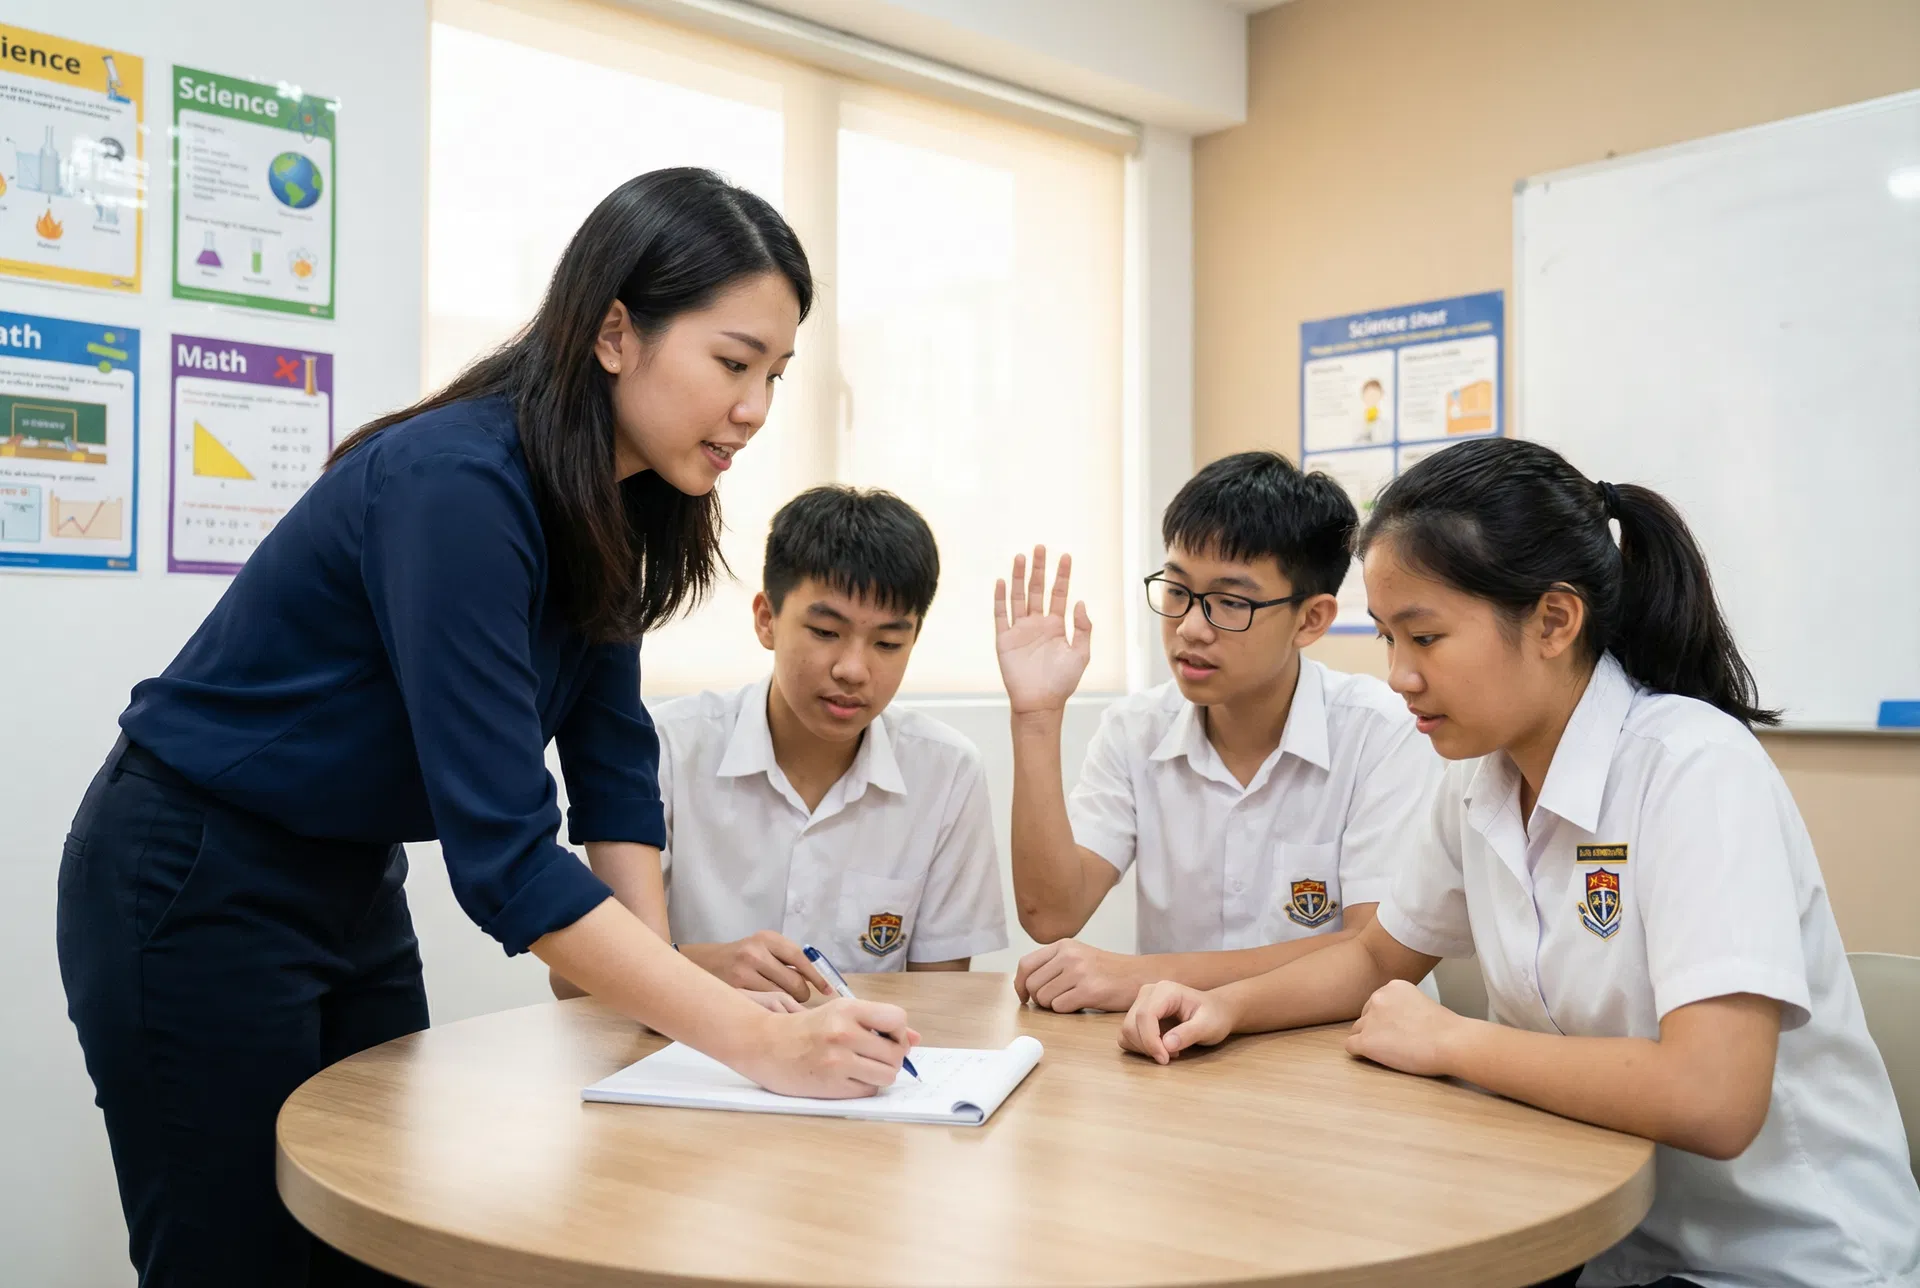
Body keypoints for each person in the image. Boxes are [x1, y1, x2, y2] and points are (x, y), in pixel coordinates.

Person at [56, 169, 916, 1288]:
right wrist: (747, 1037)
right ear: (617, 332)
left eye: (776, 375)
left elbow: (610, 764)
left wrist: (661, 989)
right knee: (236, 1257)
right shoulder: (456, 486)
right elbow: (505, 858)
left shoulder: (620, 502)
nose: (754, 407)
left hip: (349, 879)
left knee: (379, 1235)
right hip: (190, 870)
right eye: (732, 362)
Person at [1120, 437, 1920, 1288]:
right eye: (1389, 637)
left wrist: (1449, 1041)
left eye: (1425, 637)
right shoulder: (1480, 775)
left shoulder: (1693, 771)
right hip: (1601, 1243)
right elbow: (1374, 957)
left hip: (1781, 1264)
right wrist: (1219, 1007)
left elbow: (1712, 1098)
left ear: (1553, 620)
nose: (1397, 676)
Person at [997, 451, 1438, 1014]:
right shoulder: (1136, 730)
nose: (1190, 628)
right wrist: (1035, 719)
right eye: (1177, 591)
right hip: (1181, 1055)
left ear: (1311, 619)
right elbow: (1051, 915)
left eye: (1230, 603)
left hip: (1341, 1048)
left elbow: (1372, 953)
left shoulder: (1381, 732)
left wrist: (1141, 977)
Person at [554, 485, 1006, 1003]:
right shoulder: (667, 749)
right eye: (824, 632)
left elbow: (941, 1007)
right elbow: (570, 980)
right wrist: (707, 968)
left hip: (859, 1073)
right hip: (688, 1061)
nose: (853, 669)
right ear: (766, 619)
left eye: (887, 643)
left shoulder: (946, 773)